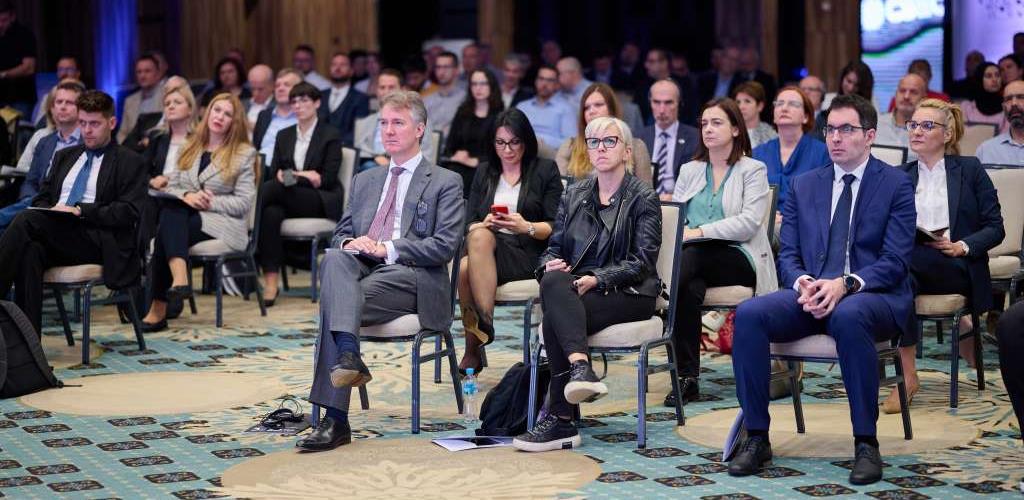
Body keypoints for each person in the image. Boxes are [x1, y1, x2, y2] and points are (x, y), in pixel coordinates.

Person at [729, 94, 916, 485]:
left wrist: (844, 284)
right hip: (811, 293)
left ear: (870, 135)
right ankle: (757, 437)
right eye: (830, 129)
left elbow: (896, 261)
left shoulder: (895, 183)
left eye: (846, 129)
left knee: (849, 314)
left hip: (871, 296)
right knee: (749, 314)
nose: (835, 138)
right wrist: (803, 282)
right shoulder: (804, 184)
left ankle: (866, 442)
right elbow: (788, 255)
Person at [296, 91, 464, 452]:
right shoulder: (365, 180)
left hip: (413, 277)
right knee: (334, 258)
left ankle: (335, 419)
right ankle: (349, 355)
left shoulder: (444, 181)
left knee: (335, 305)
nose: (388, 130)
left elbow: (444, 246)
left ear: (419, 129)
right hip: (362, 271)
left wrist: (387, 249)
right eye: (383, 123)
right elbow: (340, 233)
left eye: (398, 123)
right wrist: (353, 243)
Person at [512, 116, 660, 452]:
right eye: (594, 142)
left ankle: (561, 420)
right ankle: (580, 368)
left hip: (630, 291)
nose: (600, 148)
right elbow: (553, 248)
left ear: (626, 151)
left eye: (609, 141)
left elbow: (642, 262)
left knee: (556, 313)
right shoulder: (574, 193)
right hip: (576, 289)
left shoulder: (643, 197)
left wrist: (598, 279)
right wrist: (547, 265)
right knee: (553, 281)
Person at [881, 99, 1004, 414]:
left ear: (947, 135)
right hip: (911, 266)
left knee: (894, 270)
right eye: (913, 125)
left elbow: (995, 228)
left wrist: (961, 245)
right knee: (900, 275)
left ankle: (907, 371)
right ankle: (908, 376)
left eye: (927, 126)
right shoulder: (899, 175)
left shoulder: (970, 170)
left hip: (956, 264)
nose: (916, 131)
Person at [0, 90, 147, 334]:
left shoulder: (129, 161)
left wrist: (81, 210)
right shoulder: (64, 156)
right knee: (30, 251)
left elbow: (130, 211)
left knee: (26, 220)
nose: (87, 130)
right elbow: (42, 198)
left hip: (97, 238)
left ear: (111, 123)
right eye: (83, 123)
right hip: (57, 231)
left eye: (94, 124)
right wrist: (54, 211)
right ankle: (27, 343)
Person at [667, 98, 778, 407]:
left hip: (739, 256)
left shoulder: (752, 169)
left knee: (688, 261)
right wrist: (689, 234)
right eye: (704, 123)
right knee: (688, 287)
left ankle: (655, 297)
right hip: (692, 258)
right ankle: (687, 379)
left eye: (716, 123)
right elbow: (677, 217)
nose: (708, 129)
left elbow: (748, 223)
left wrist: (700, 232)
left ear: (735, 129)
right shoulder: (690, 170)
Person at [140, 93, 258, 332]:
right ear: (208, 112)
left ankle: (159, 308)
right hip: (186, 216)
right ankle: (179, 280)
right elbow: (172, 185)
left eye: (227, 114)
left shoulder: (244, 153)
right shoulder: (190, 145)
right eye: (217, 110)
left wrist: (207, 201)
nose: (220, 117)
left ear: (234, 121)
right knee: (171, 214)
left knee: (167, 225)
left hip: (223, 223)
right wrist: (187, 195)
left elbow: (244, 203)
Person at [457, 109, 562, 372]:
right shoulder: (485, 171)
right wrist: (484, 223)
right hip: (488, 251)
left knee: (465, 266)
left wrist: (525, 226)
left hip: (528, 252)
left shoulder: (545, 170)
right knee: (474, 245)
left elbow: (556, 226)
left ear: (526, 141)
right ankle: (483, 328)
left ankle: (475, 342)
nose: (507, 149)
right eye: (501, 142)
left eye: (514, 142)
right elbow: (468, 223)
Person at [259, 83, 344, 306]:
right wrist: (304, 175)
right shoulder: (284, 135)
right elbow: (276, 173)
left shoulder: (330, 134)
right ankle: (271, 282)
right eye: (294, 101)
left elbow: (326, 179)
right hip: (287, 195)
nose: (298, 106)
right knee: (270, 213)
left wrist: (293, 176)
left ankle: (247, 229)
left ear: (317, 103)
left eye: (304, 100)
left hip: (319, 200)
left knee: (270, 191)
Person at [0, 80, 84, 234]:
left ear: (81, 109)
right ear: (52, 108)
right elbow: (30, 181)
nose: (63, 106)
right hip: (37, 202)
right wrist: (31, 201)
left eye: (69, 103)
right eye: (59, 102)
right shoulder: (45, 141)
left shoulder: (87, 142)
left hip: (65, 204)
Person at [556, 82, 652, 185]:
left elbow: (647, 192)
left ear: (612, 109)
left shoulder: (636, 146)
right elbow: (558, 189)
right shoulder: (569, 146)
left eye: (598, 105)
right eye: (586, 108)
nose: (591, 111)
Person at [752, 87, 831, 209]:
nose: (784, 108)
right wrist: (768, 216)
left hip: (806, 220)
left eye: (793, 104)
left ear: (805, 117)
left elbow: (825, 199)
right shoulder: (758, 154)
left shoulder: (822, 153)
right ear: (774, 115)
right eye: (779, 104)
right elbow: (750, 199)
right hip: (765, 220)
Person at [141, 82, 197, 245]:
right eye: (167, 104)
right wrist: (152, 181)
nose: (171, 106)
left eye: (177, 102)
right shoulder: (157, 137)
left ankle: (154, 251)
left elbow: (200, 173)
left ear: (190, 109)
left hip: (184, 194)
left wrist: (169, 179)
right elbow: (141, 170)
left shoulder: (200, 139)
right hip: (158, 194)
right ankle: (147, 251)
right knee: (144, 201)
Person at [354, 69, 434, 172]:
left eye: (391, 87)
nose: (386, 92)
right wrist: (376, 158)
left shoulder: (418, 120)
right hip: (369, 167)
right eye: (382, 87)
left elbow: (426, 156)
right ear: (376, 90)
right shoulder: (363, 123)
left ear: (403, 89)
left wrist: (391, 162)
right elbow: (357, 153)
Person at [440, 69, 504, 195]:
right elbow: (449, 146)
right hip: (459, 164)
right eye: (474, 84)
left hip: (487, 167)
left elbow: (500, 152)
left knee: (469, 178)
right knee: (451, 174)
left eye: (483, 84)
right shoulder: (463, 111)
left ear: (492, 86)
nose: (478, 88)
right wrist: (456, 155)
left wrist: (476, 161)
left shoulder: (500, 114)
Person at [640, 79, 701, 200]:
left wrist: (675, 198)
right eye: (656, 102)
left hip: (681, 202)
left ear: (679, 103)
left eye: (668, 103)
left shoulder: (696, 137)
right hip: (644, 204)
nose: (662, 110)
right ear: (650, 103)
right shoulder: (638, 137)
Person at [517, 65, 577, 151]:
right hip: (523, 151)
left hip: (551, 154)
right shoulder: (522, 107)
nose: (544, 84)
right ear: (536, 81)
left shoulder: (566, 109)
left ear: (557, 85)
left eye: (550, 80)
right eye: (541, 79)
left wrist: (541, 141)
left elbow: (571, 142)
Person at [253, 68, 302, 165]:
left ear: (300, 89)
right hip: (260, 169)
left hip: (290, 171)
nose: (280, 89)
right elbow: (255, 147)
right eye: (277, 85)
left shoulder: (305, 117)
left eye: (287, 85)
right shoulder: (264, 115)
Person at [320, 52, 370, 146]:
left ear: (351, 71)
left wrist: (337, 145)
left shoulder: (361, 98)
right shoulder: (320, 96)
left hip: (347, 148)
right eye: (334, 64)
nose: (337, 68)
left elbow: (359, 130)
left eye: (343, 65)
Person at [816, 61, 875, 139]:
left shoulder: (869, 109)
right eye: (849, 81)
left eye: (857, 85)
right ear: (842, 78)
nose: (851, 88)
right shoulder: (827, 103)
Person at [874, 73, 926, 158]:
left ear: (923, 98)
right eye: (902, 91)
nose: (906, 96)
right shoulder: (875, 124)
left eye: (913, 92)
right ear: (896, 94)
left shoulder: (928, 131)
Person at [0, 0, 37, 116]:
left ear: (12, 17)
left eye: (4, 20)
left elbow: (29, 68)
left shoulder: (24, 35)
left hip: (20, 97)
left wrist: (3, 74)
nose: (0, 24)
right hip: (1, 96)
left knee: (20, 126)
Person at [118, 54, 165, 144]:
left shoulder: (167, 96)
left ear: (158, 74)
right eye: (139, 72)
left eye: (147, 71)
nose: (142, 75)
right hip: (133, 148)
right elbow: (122, 132)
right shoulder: (130, 101)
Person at [976, 80, 1024, 165]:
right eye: (1008, 99)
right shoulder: (986, 150)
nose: (1014, 103)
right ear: (1003, 107)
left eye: (1020, 97)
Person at [885, 59, 951, 111]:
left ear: (930, 77)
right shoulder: (899, 101)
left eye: (923, 80)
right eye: (914, 80)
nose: (906, 97)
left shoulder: (942, 100)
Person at [960, 62, 1009, 133]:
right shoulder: (967, 107)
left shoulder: (1008, 107)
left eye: (997, 75)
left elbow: (1007, 135)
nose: (994, 79)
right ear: (980, 79)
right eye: (989, 76)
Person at [423, 51, 463, 135]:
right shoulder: (426, 100)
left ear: (456, 70)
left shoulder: (465, 99)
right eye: (438, 67)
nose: (441, 71)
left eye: (446, 67)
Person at [733, 81, 777, 149]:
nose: (741, 107)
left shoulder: (771, 135)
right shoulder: (729, 132)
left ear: (760, 106)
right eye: (738, 102)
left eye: (747, 101)